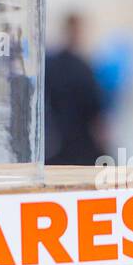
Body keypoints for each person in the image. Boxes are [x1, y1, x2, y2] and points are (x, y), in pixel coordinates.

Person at [44, 13, 107, 166]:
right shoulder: (82, 68)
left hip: (57, 144)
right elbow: (95, 111)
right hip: (80, 145)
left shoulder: (51, 64)